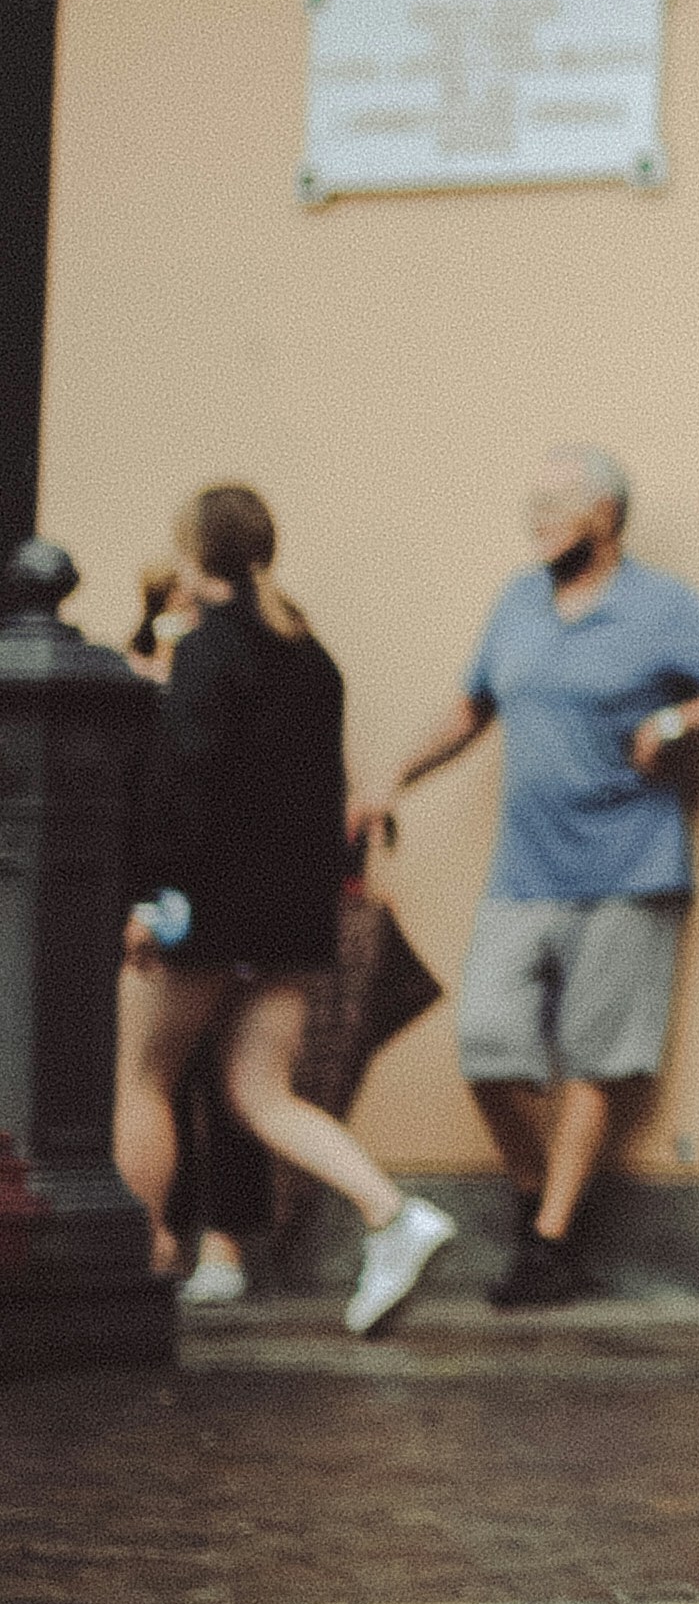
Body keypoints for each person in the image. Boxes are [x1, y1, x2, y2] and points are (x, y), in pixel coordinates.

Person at [366, 446, 699, 1308]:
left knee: (597, 1059)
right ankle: (538, 1204)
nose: (537, 516)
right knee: (487, 1046)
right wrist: (393, 776)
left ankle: (551, 1242)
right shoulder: (518, 602)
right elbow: (472, 706)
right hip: (525, 871)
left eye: (556, 502)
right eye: (534, 501)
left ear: (605, 514)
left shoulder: (659, 606)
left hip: (630, 869)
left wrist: (678, 722)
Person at [115, 487, 459, 1338]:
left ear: (192, 554)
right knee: (260, 1093)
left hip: (204, 909)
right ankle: (392, 1214)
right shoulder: (315, 660)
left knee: (146, 1080)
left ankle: (137, 1271)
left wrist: (152, 898)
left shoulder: (206, 653)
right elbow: (317, 801)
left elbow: (182, 790)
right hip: (291, 919)